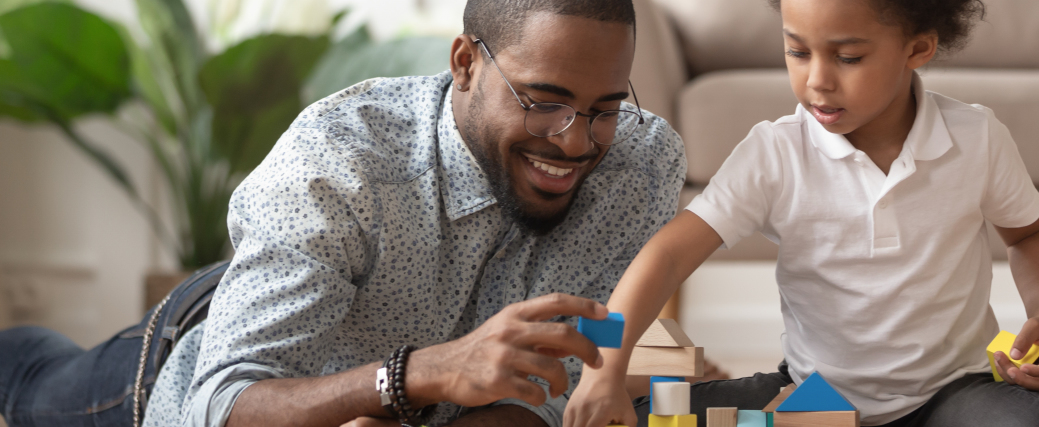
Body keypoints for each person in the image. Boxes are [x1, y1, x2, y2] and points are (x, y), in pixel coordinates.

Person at [0, 1, 690, 426]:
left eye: (603, 107)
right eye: (544, 99)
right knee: (32, 383)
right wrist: (415, 376)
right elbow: (224, 404)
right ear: (465, 64)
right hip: (205, 348)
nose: (575, 140)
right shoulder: (340, 159)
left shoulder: (641, 164)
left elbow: (540, 390)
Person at [563, 0, 1039, 426]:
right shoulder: (775, 152)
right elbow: (666, 257)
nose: (817, 79)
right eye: (798, 52)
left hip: (953, 395)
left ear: (917, 48)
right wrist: (604, 371)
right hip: (811, 395)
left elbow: (1032, 234)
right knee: (639, 417)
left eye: (847, 57)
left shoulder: (976, 138)